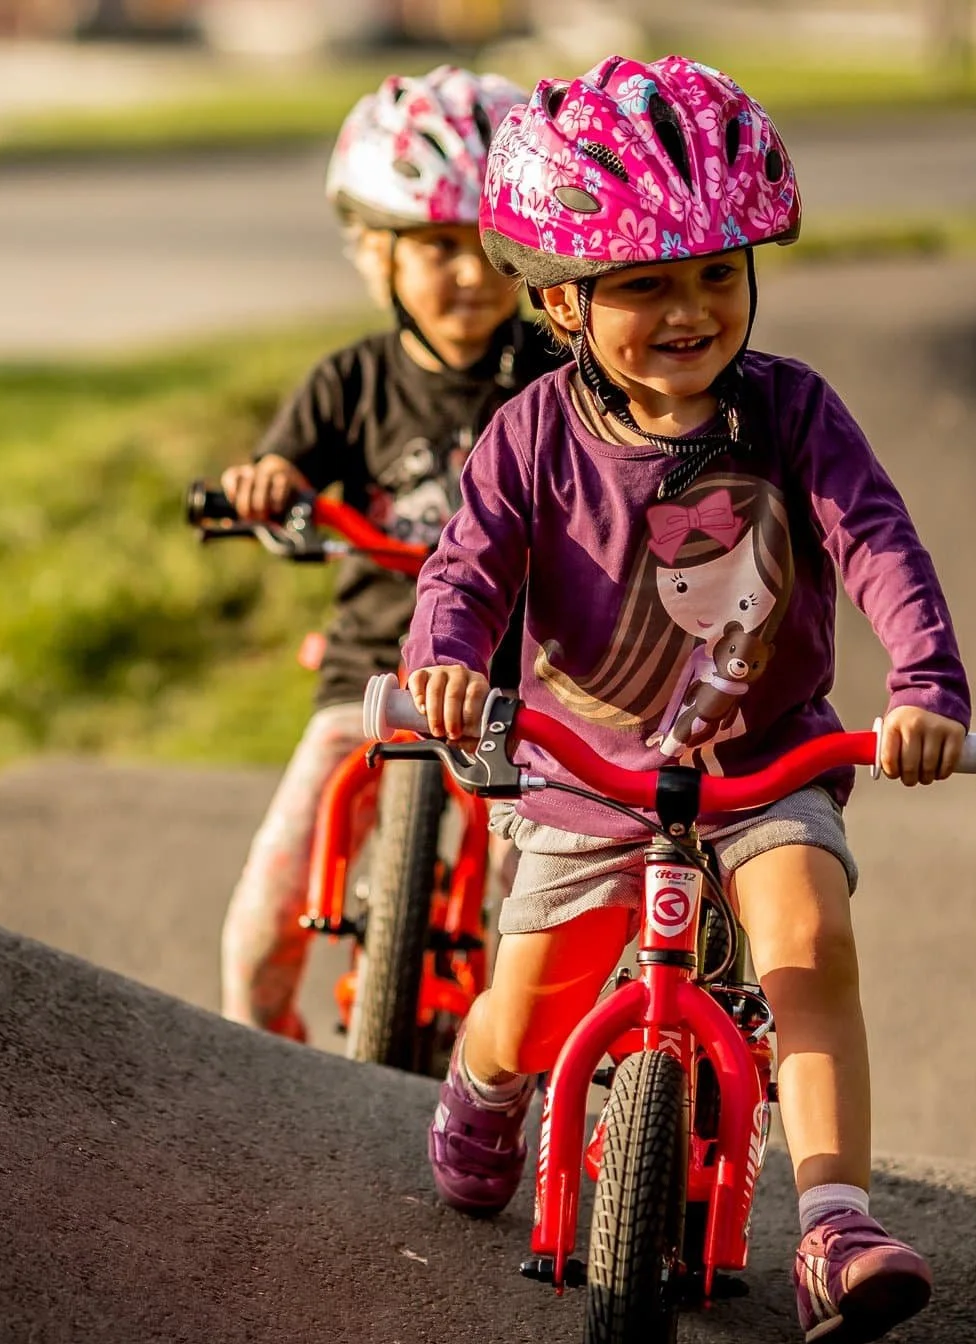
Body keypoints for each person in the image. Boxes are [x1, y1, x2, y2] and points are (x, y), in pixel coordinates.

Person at [403, 57, 972, 1344]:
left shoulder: (793, 414)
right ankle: (488, 1085)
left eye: (717, 273)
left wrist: (926, 684)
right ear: (558, 301)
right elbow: (471, 563)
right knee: (533, 1000)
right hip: (587, 766)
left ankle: (833, 1221)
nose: (690, 309)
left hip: (766, 761)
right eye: (645, 283)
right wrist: (445, 654)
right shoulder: (532, 435)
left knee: (807, 946)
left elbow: (877, 540)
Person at [218, 65, 561, 1040]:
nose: (467, 273)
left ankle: (516, 1083)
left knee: (536, 904)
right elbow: (282, 464)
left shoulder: (556, 377)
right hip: (370, 677)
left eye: (489, 248)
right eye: (436, 248)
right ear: (376, 255)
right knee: (262, 914)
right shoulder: (350, 381)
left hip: (518, 689)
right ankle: (262, 1066)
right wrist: (268, 486)